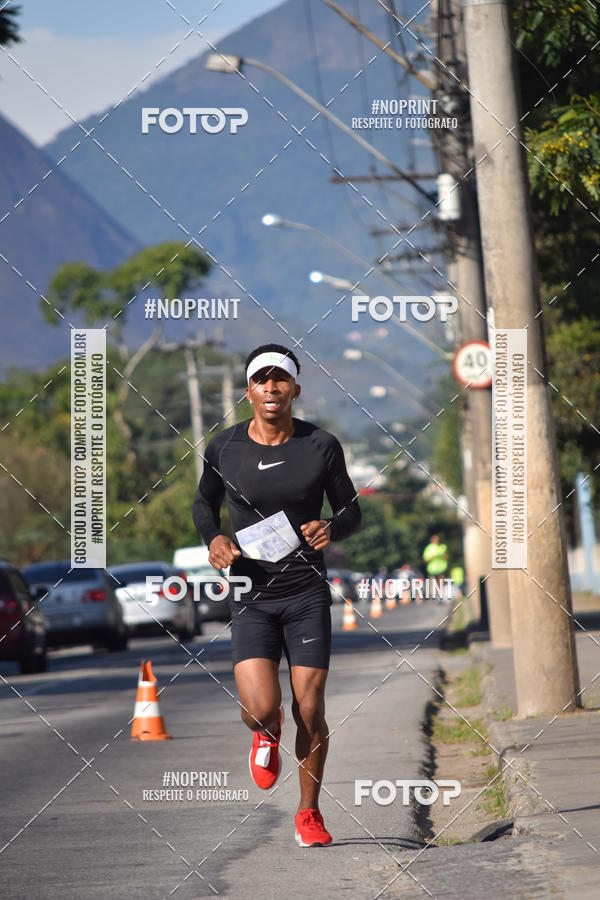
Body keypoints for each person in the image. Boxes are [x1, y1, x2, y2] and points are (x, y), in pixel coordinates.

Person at [192, 343, 361, 848]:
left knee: (311, 708)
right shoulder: (224, 448)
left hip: (306, 592)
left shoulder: (321, 445)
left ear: (295, 390)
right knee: (261, 709)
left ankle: (309, 813)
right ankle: (266, 731)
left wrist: (331, 527)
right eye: (261, 380)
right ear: (248, 392)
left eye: (280, 379)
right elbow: (203, 504)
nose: (271, 387)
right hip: (250, 593)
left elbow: (350, 509)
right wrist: (214, 539)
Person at [422, 534, 448, 602]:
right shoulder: (429, 548)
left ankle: (440, 595)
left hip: (440, 568)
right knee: (432, 584)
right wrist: (433, 557)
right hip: (432, 569)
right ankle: (433, 596)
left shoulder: (441, 547)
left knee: (441, 581)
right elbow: (426, 559)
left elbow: (446, 557)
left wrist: (443, 556)